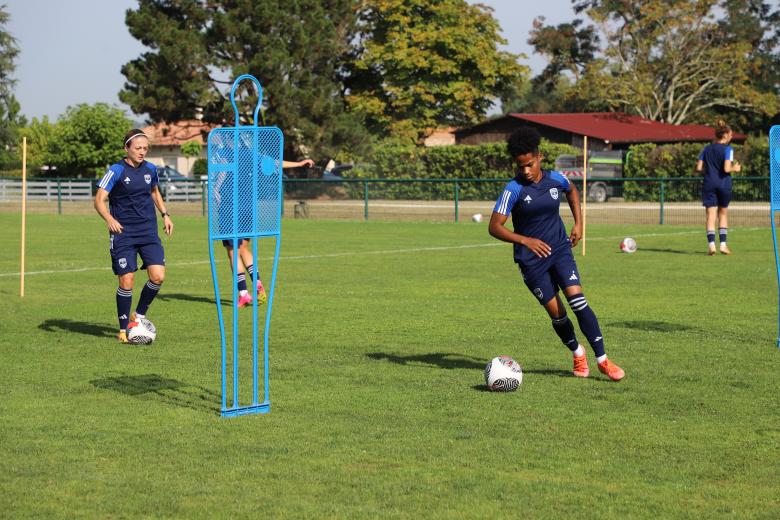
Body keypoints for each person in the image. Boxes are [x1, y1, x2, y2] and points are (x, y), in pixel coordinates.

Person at [488, 127, 625, 381]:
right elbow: (494, 226)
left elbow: (572, 191)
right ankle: (577, 351)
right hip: (531, 262)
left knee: (578, 300)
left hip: (560, 250)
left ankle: (603, 360)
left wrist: (579, 223)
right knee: (558, 314)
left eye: (529, 164)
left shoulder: (556, 179)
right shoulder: (513, 189)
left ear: (539, 156)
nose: (526, 171)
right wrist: (525, 240)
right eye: (520, 167)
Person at [94, 128, 174, 343]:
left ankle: (137, 316)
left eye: (145, 148)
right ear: (126, 148)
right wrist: (109, 219)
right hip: (124, 234)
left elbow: (155, 192)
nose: (142, 152)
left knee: (158, 276)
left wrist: (165, 214)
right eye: (138, 148)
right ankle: (123, 331)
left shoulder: (150, 169)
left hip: (148, 231)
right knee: (127, 280)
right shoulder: (116, 170)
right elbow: (99, 199)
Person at [222, 158, 315, 308]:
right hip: (248, 207)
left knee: (233, 252)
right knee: (244, 249)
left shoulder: (227, 151)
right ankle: (258, 286)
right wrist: (299, 163)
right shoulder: (250, 153)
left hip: (231, 207)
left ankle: (244, 294)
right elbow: (275, 163)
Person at [696, 120, 741, 255]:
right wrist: (736, 168)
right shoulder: (728, 149)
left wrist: (710, 171)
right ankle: (722, 245)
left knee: (710, 215)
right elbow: (727, 168)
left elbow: (699, 168)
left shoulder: (706, 149)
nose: (732, 137)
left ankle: (711, 246)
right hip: (723, 184)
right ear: (725, 135)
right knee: (723, 214)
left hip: (709, 183)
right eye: (731, 135)